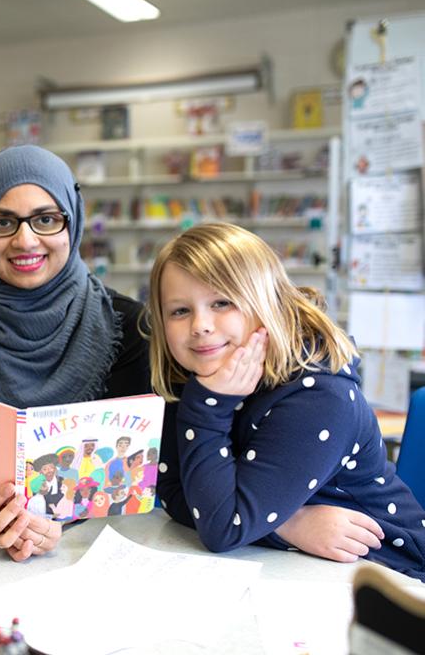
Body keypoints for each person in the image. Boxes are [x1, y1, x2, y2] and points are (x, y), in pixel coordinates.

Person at [0, 145, 151, 561]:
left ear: (71, 223)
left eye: (45, 219)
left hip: (92, 552)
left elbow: (125, 472)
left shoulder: (131, 326)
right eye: (3, 221)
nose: (25, 240)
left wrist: (51, 522)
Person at [148, 222, 425, 581]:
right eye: (179, 311)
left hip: (386, 575)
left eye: (221, 303)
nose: (200, 325)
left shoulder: (319, 395)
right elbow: (173, 492)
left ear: (266, 303)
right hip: (286, 568)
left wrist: (209, 408)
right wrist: (288, 526)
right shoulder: (198, 374)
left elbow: (222, 529)